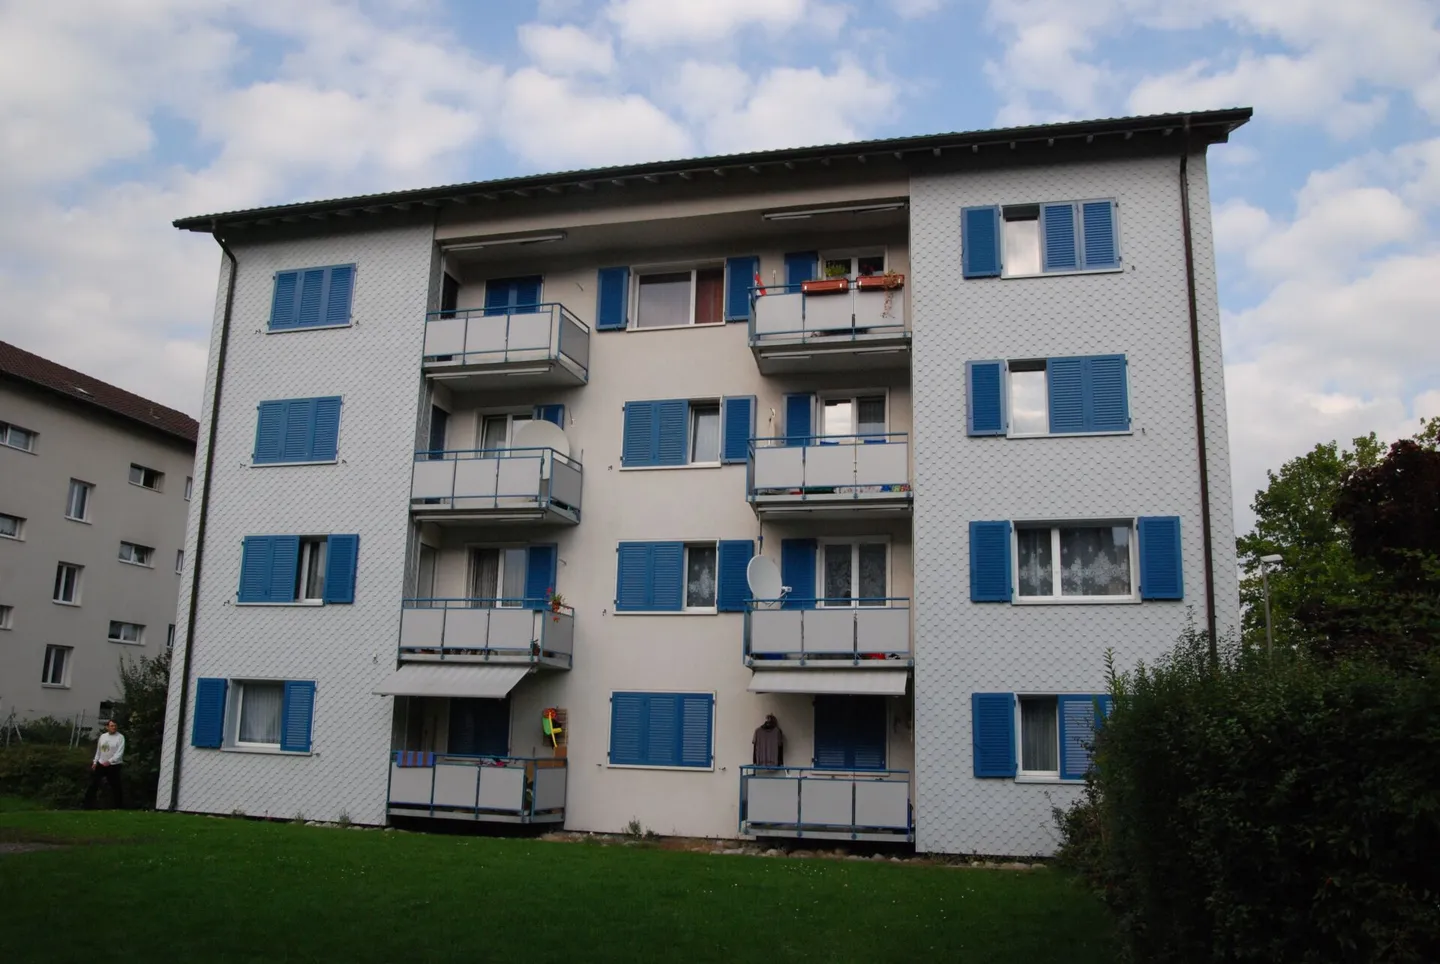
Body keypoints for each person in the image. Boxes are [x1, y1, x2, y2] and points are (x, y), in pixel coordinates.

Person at [83, 719, 125, 809]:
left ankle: (118, 806)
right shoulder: (103, 737)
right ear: (107, 727)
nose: (114, 728)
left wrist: (110, 761)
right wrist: (95, 762)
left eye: (115, 726)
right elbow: (99, 751)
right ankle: (87, 806)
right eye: (112, 726)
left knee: (116, 786)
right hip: (101, 763)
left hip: (114, 765)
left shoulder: (120, 737)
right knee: (94, 784)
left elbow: (119, 753)